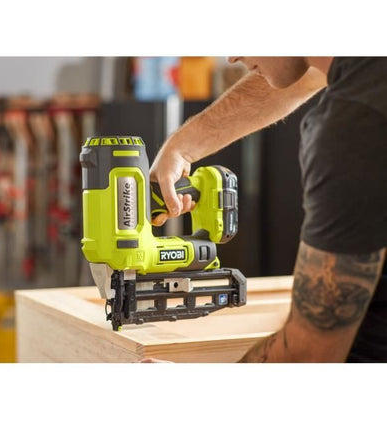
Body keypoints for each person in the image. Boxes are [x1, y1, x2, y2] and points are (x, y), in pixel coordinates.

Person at [145, 57, 387, 363]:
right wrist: (181, 147)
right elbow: (304, 70)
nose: (232, 57)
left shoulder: (352, 130)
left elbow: (307, 356)